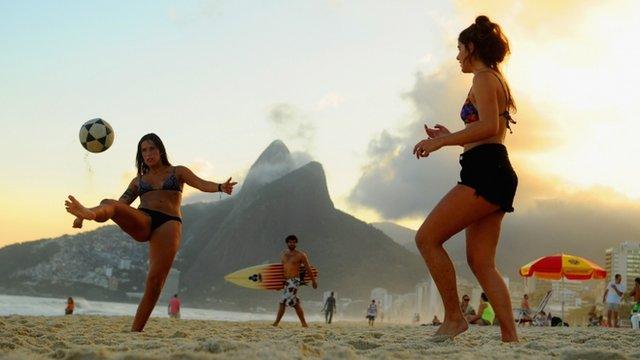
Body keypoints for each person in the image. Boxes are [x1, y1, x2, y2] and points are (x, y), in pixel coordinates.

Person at [413, 15, 518, 342]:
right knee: (481, 261)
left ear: (472, 47)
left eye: (459, 49)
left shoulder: (484, 79)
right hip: (494, 169)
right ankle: (510, 338)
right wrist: (452, 135)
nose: (457, 56)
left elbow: (489, 127)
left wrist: (442, 141)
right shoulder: (493, 79)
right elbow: (485, 131)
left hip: (485, 172)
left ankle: (454, 318)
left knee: (427, 238)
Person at [65, 133, 236, 332]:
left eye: (152, 148)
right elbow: (119, 207)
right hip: (144, 219)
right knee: (109, 203)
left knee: (154, 282)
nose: (148, 154)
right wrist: (86, 215)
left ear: (160, 150)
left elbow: (201, 183)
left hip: (168, 224)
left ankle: (135, 331)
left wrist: (220, 187)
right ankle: (87, 213)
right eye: (143, 151)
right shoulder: (138, 182)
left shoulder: (177, 172)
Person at [272, 235, 318, 328]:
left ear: (296, 243)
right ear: (287, 243)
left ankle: (276, 323)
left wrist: (313, 281)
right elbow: (282, 270)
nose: (292, 244)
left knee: (283, 301)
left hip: (294, 281)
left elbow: (308, 268)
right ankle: (304, 324)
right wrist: (280, 284)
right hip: (286, 281)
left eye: (293, 242)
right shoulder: (284, 254)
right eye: (290, 242)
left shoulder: (300, 255)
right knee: (295, 303)